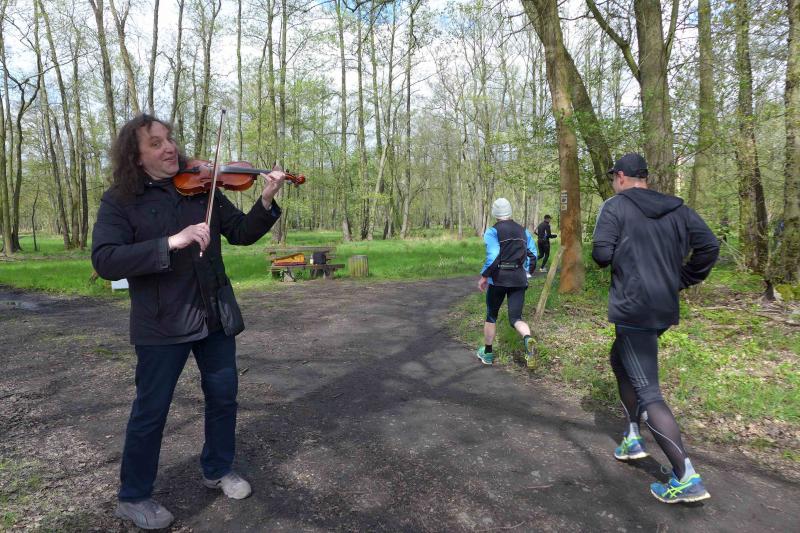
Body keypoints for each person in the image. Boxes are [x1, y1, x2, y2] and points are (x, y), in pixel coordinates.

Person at [91, 114, 286, 529]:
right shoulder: (121, 200)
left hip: (213, 313)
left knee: (224, 397)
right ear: (136, 156)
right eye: (156, 143)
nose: (169, 147)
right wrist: (170, 242)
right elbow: (106, 260)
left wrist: (266, 200)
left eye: (169, 139)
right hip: (161, 323)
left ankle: (217, 468)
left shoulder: (202, 187)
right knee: (151, 410)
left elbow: (241, 232)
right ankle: (133, 496)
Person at [592, 153, 719, 504]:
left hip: (634, 308)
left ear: (621, 176)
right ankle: (632, 436)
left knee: (649, 391)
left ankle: (686, 477)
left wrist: (624, 255)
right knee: (619, 359)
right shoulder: (678, 209)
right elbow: (710, 246)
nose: (613, 183)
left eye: (613, 178)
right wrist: (683, 278)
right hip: (663, 306)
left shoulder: (615, 207)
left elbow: (601, 255)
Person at [476, 198, 538, 365]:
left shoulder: (492, 231)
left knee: (491, 316)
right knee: (516, 318)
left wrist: (484, 276)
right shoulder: (523, 231)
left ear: (495, 213)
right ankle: (528, 339)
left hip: (499, 279)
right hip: (519, 278)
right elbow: (533, 254)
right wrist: (527, 273)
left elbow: (494, 256)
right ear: (510, 212)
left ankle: (488, 354)